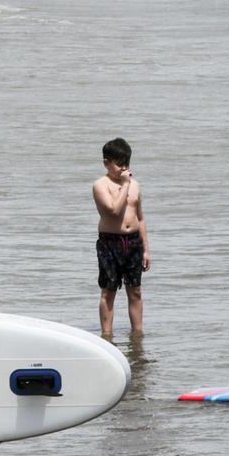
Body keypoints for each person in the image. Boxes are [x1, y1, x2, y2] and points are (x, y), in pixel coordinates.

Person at [92, 137, 148, 339]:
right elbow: (114, 210)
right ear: (106, 162)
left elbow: (140, 217)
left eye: (126, 163)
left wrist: (146, 249)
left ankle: (137, 335)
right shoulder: (101, 185)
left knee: (136, 291)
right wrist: (124, 184)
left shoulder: (135, 185)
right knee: (108, 291)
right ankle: (107, 336)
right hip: (110, 242)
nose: (124, 168)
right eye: (119, 164)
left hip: (133, 242)